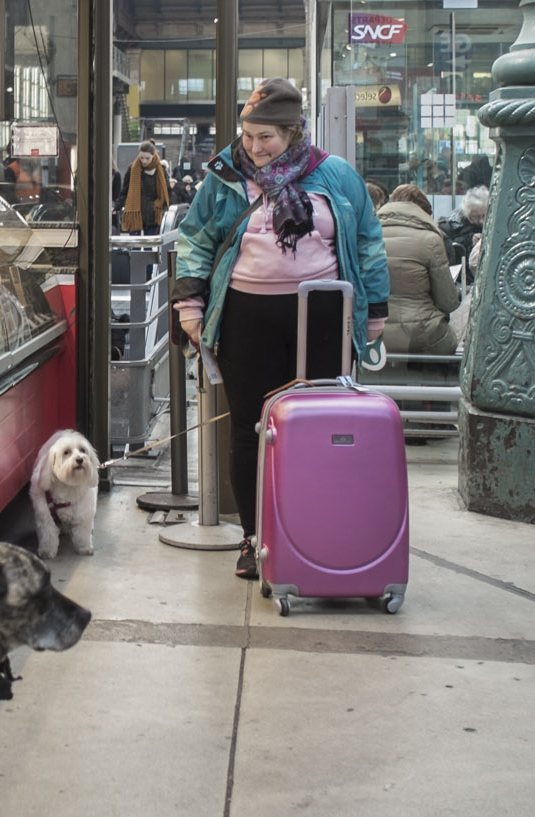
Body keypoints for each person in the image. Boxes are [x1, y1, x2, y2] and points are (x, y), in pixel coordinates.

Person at [171, 77, 391, 580]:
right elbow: (196, 239)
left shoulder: (335, 175)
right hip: (247, 315)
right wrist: (190, 303)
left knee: (321, 428)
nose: (254, 147)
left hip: (324, 315)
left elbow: (368, 242)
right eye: (248, 135)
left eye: (266, 137)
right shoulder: (225, 177)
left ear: (294, 133)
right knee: (252, 426)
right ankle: (254, 538)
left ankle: (314, 531)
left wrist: (374, 313)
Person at [377, 184, 458, 356]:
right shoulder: (431, 239)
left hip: (375, 334)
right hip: (422, 336)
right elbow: (448, 302)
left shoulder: (370, 234)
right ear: (422, 211)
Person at [121, 140, 171, 235]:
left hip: (152, 214)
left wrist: (159, 205)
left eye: (147, 158)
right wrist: (117, 206)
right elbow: (125, 190)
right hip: (135, 214)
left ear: (153, 156)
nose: (144, 161)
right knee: (135, 246)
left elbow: (167, 191)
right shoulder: (133, 168)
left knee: (150, 247)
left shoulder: (160, 170)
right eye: (142, 158)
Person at [438, 186, 489, 267]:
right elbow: (448, 248)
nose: (481, 221)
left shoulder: (491, 225)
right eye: (476, 216)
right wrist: (469, 240)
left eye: (484, 216)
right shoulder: (452, 225)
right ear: (467, 212)